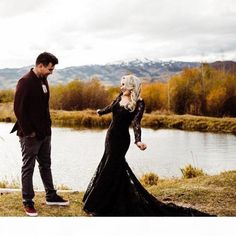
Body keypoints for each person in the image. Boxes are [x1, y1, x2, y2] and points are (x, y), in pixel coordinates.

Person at [82, 74, 211, 216]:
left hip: (122, 140)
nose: (121, 86)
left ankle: (100, 205)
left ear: (132, 86)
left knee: (112, 167)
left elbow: (136, 123)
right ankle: (107, 200)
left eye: (124, 84)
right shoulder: (120, 96)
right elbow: (111, 107)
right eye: (121, 84)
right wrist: (101, 112)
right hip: (110, 138)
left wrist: (138, 141)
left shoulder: (139, 103)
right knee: (111, 166)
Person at [11, 52, 69, 217]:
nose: (52, 72)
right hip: (29, 135)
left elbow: (43, 107)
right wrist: (30, 132)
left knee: (46, 165)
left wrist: (47, 128)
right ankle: (28, 202)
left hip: (45, 133)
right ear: (40, 65)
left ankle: (51, 196)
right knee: (28, 167)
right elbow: (19, 110)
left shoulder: (43, 80)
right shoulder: (25, 82)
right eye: (50, 69)